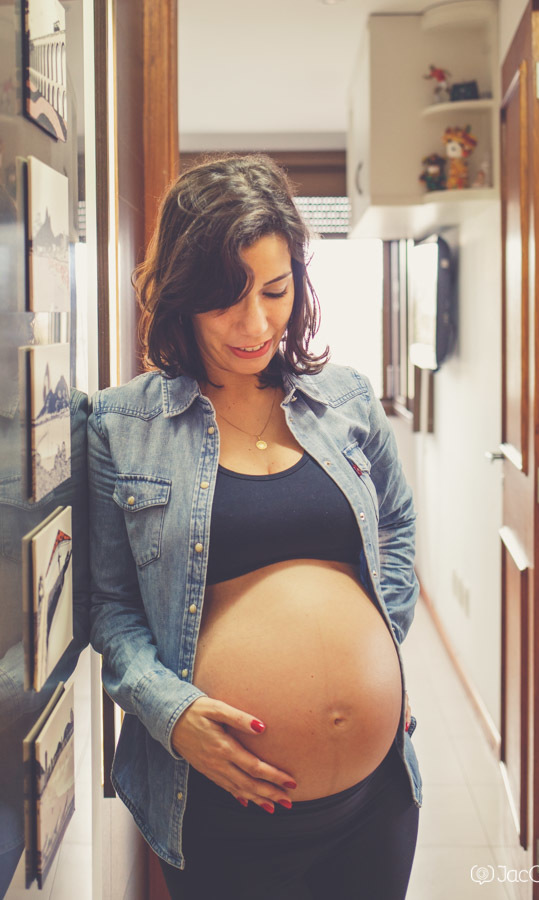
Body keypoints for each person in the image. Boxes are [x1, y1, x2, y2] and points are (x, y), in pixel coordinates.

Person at [88, 154, 422, 900]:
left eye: (275, 291)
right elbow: (108, 607)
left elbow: (396, 524)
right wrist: (172, 716)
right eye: (225, 300)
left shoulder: (348, 403)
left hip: (377, 802)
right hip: (221, 803)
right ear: (181, 296)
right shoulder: (121, 427)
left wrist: (384, 657)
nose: (255, 323)